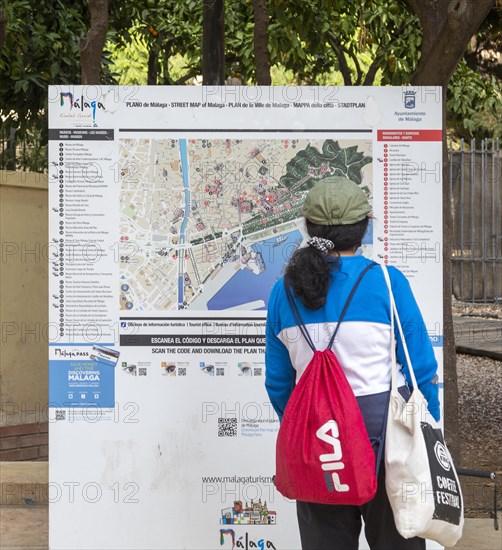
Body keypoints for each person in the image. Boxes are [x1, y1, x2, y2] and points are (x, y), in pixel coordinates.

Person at [265, 175, 440, 550]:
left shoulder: (283, 292)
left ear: (309, 229)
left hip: (320, 450)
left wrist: (311, 431)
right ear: (363, 229)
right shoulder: (387, 283)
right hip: (387, 450)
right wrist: (430, 436)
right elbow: (421, 369)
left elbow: (278, 384)